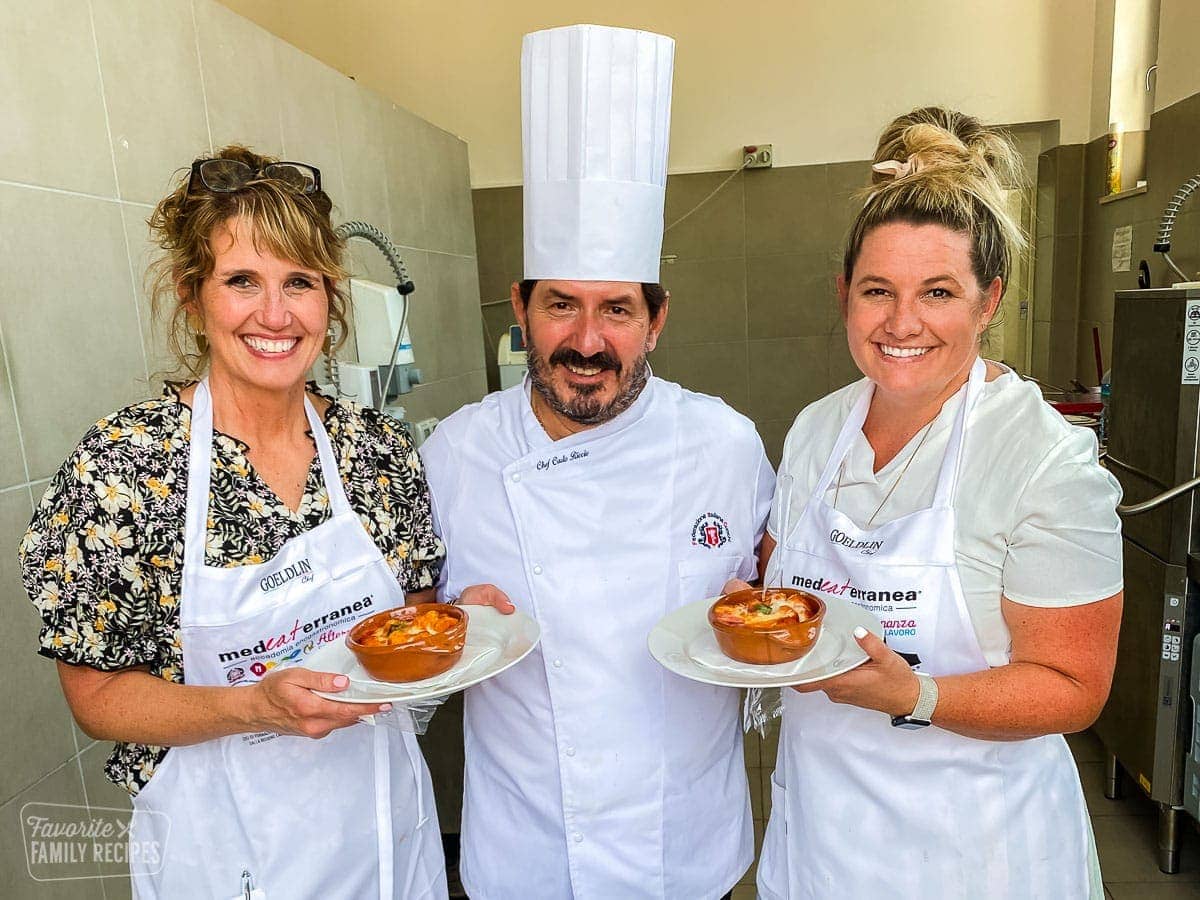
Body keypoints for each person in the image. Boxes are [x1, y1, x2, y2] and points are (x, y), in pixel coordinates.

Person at [18, 145, 478, 898]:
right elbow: (98, 698)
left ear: (329, 299)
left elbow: (409, 626)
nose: (275, 314)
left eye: (299, 282)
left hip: (386, 844)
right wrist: (252, 706)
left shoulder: (377, 453)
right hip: (221, 860)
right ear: (192, 296)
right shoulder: (125, 470)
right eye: (242, 281)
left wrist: (460, 624)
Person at [419, 24, 775, 899]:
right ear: (520, 308)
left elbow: (776, 604)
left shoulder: (723, 443)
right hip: (525, 848)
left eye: (616, 309)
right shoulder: (454, 453)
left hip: (687, 846)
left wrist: (752, 615)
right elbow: (407, 643)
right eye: (560, 306)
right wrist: (448, 624)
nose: (587, 342)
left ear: (656, 319)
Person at [741, 108, 1123, 898]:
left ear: (989, 303)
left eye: (939, 292)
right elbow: (782, 587)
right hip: (824, 837)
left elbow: (1074, 687)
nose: (902, 323)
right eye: (878, 290)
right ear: (844, 294)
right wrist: (745, 614)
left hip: (979, 853)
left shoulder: (1042, 456)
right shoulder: (819, 428)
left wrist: (914, 694)